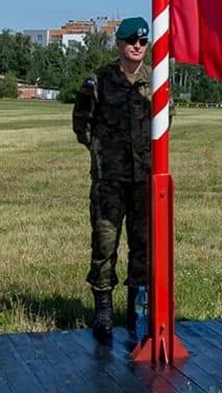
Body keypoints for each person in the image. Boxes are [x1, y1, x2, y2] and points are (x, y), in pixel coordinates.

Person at [72, 17, 152, 340]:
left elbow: (165, 120)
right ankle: (103, 311)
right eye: (131, 40)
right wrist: (102, 152)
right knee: (104, 244)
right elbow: (82, 124)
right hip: (110, 180)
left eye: (142, 41)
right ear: (118, 44)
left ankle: (137, 312)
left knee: (143, 247)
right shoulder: (99, 81)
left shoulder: (155, 80)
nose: (137, 46)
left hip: (144, 181)